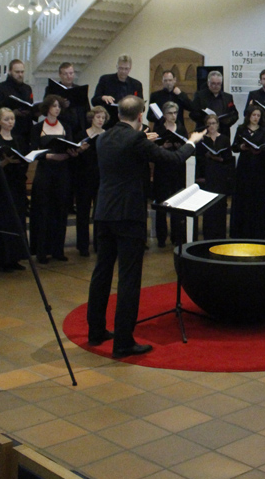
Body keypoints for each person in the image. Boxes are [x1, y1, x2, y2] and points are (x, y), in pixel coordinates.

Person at [87, 95, 203, 358]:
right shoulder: (137, 140)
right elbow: (173, 159)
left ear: (118, 114)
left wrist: (143, 141)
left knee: (102, 272)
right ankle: (123, 342)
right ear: (140, 116)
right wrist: (192, 143)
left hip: (104, 212)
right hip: (128, 214)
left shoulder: (103, 138)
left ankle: (96, 331)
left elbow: (124, 154)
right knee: (129, 277)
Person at [30, 95, 83, 264]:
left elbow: (71, 146)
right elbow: (32, 151)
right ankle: (41, 251)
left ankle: (57, 249)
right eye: (54, 106)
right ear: (47, 108)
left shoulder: (66, 126)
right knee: (43, 210)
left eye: (59, 106)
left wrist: (74, 152)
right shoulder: (38, 127)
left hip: (63, 171)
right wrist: (50, 156)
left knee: (60, 210)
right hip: (45, 171)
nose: (57, 109)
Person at [0, 107, 30, 272]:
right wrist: (4, 163)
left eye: (12, 119)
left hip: (16, 184)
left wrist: (20, 162)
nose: (10, 122)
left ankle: (14, 257)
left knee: (16, 220)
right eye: (6, 119)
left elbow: (25, 159)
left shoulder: (18, 139)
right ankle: (0, 259)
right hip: (1, 186)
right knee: (2, 220)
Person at [230, 105, 265, 238]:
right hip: (244, 166)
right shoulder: (241, 129)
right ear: (249, 116)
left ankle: (258, 230)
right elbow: (234, 147)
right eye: (254, 115)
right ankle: (241, 229)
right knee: (243, 196)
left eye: (258, 116)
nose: (256, 118)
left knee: (257, 197)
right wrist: (241, 146)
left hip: (259, 167)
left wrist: (262, 149)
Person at [152, 102, 190, 248]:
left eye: (175, 113)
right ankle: (161, 237)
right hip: (162, 169)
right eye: (170, 113)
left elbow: (186, 145)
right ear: (164, 114)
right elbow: (153, 148)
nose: (173, 116)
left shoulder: (180, 128)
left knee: (178, 203)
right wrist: (163, 146)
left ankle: (177, 236)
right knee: (161, 203)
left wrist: (181, 147)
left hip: (177, 169)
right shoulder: (159, 128)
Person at [75, 106, 108, 256]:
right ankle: (82, 246)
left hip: (101, 177)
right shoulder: (82, 135)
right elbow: (75, 156)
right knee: (83, 211)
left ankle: (98, 244)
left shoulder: (107, 135)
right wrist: (80, 150)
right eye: (98, 117)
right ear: (92, 118)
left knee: (99, 213)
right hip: (83, 177)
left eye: (103, 118)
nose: (101, 120)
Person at [195, 114, 234, 239]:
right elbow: (198, 159)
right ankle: (208, 234)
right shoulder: (202, 140)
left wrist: (219, 158)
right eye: (209, 124)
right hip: (208, 174)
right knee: (208, 206)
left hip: (220, 175)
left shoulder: (224, 139)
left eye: (214, 123)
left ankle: (220, 234)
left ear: (218, 125)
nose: (211, 126)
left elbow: (228, 158)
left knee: (220, 205)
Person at [0, 59, 35, 140]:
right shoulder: (0, 88)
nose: (20, 75)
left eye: (22, 72)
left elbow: (30, 105)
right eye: (17, 72)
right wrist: (13, 113)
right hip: (8, 130)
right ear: (10, 72)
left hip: (26, 129)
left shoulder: (27, 88)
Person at [92, 55, 144, 127]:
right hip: (109, 122)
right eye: (121, 68)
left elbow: (142, 107)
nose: (123, 71)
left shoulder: (136, 84)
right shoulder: (105, 80)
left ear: (130, 68)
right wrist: (103, 98)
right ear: (117, 66)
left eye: (126, 69)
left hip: (128, 123)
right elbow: (94, 101)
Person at [190, 70, 239, 137]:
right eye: (213, 83)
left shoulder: (227, 97)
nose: (216, 86)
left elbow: (235, 114)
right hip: (204, 132)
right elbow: (193, 114)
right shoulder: (200, 96)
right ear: (208, 83)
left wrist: (227, 122)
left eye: (218, 84)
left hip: (223, 132)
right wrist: (207, 120)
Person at [46, 62, 90, 135]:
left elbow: (87, 109)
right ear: (60, 75)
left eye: (71, 73)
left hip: (78, 128)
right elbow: (46, 107)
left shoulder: (80, 90)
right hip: (59, 126)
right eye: (65, 74)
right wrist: (61, 104)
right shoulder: (52, 89)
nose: (69, 76)